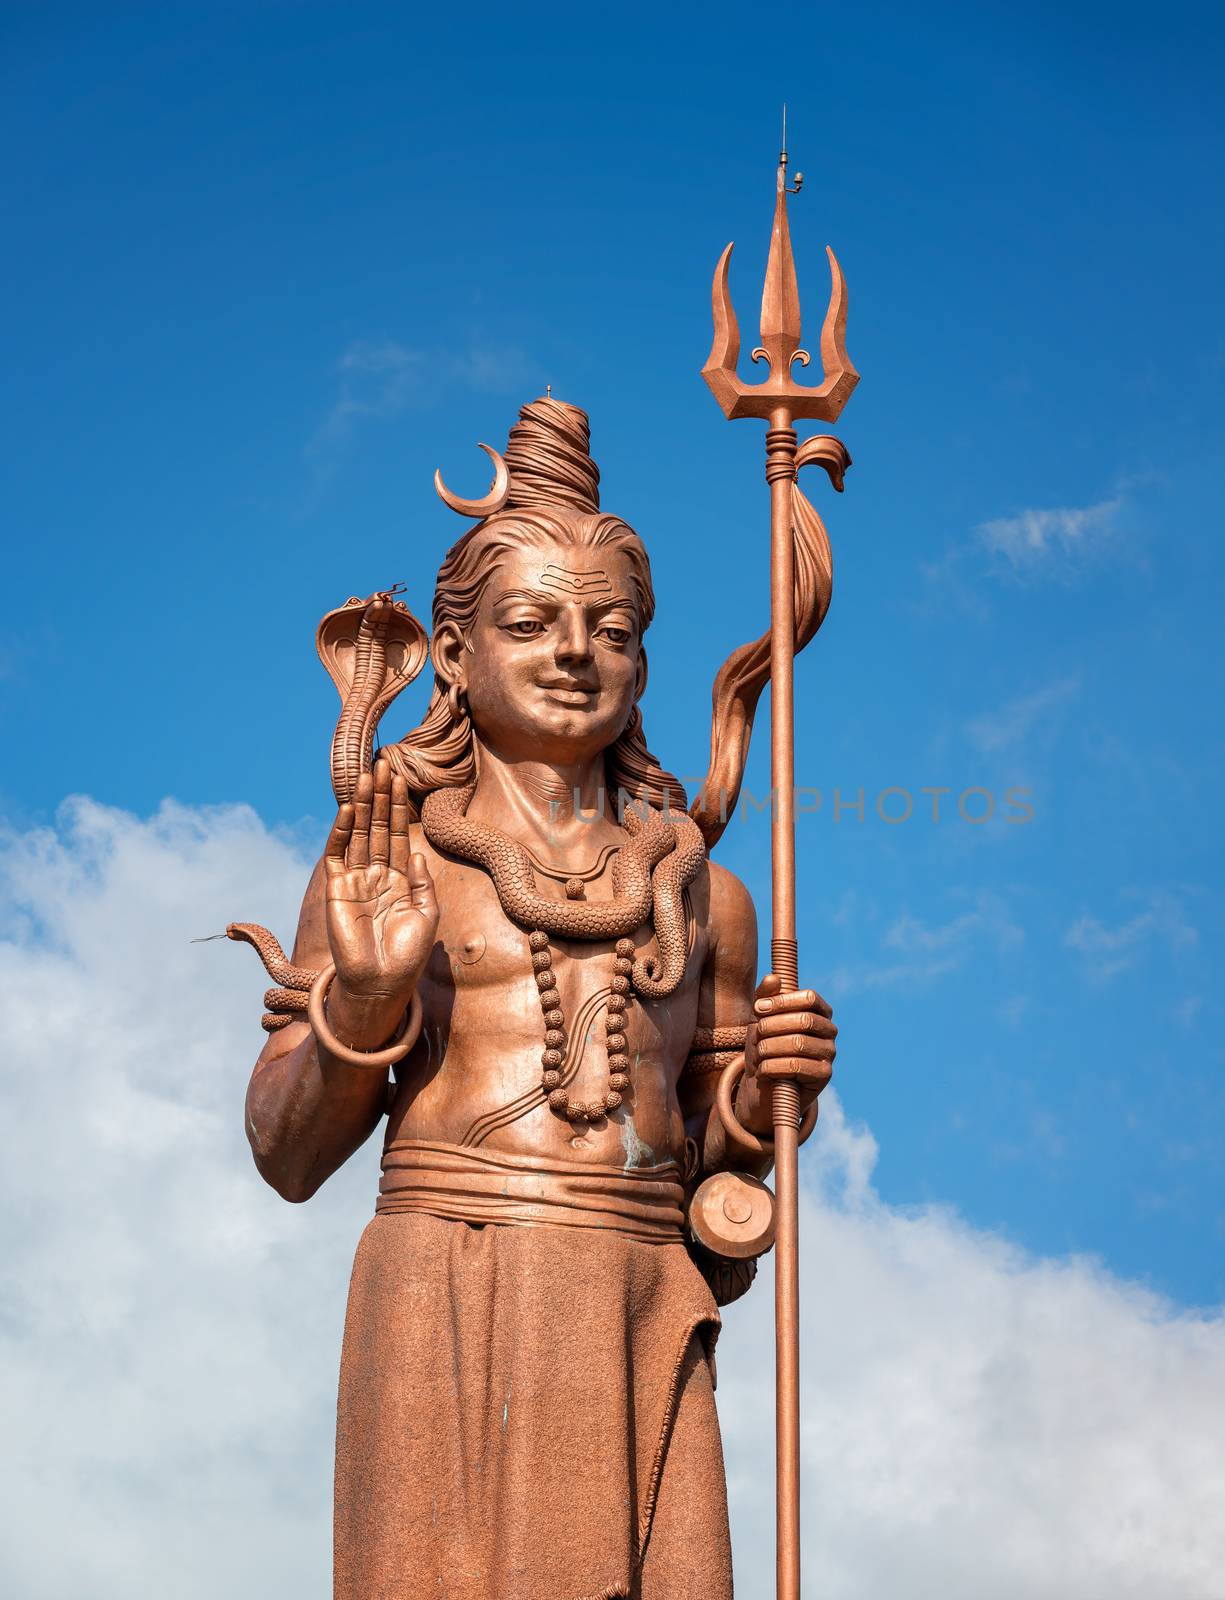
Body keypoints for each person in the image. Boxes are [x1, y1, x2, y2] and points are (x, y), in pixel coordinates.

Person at [241, 397, 837, 1599]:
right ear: (455, 654)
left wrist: (774, 1089)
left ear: (640, 663)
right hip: (449, 1284)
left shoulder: (707, 895)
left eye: (609, 628)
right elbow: (286, 1150)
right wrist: (360, 1004)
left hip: (631, 1290)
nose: (574, 651)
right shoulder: (385, 858)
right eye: (532, 621)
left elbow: (720, 1174)